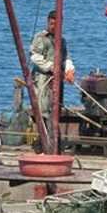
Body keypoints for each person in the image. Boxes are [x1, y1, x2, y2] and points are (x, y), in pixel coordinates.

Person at [30, 10, 75, 149]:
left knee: (56, 108)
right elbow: (34, 57)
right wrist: (51, 67)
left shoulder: (62, 41)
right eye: (51, 23)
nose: (53, 26)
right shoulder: (41, 38)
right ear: (48, 22)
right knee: (43, 109)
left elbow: (66, 57)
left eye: (57, 24)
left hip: (57, 80)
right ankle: (43, 142)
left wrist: (69, 70)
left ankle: (54, 141)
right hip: (43, 79)